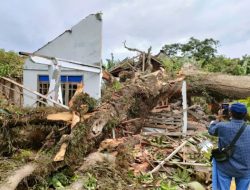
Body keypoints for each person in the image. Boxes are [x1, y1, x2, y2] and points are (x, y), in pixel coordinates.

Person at [208, 102, 250, 190]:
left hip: (225, 166)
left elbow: (211, 130)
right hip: (245, 168)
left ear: (230, 113)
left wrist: (218, 118)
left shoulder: (222, 126)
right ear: (245, 114)